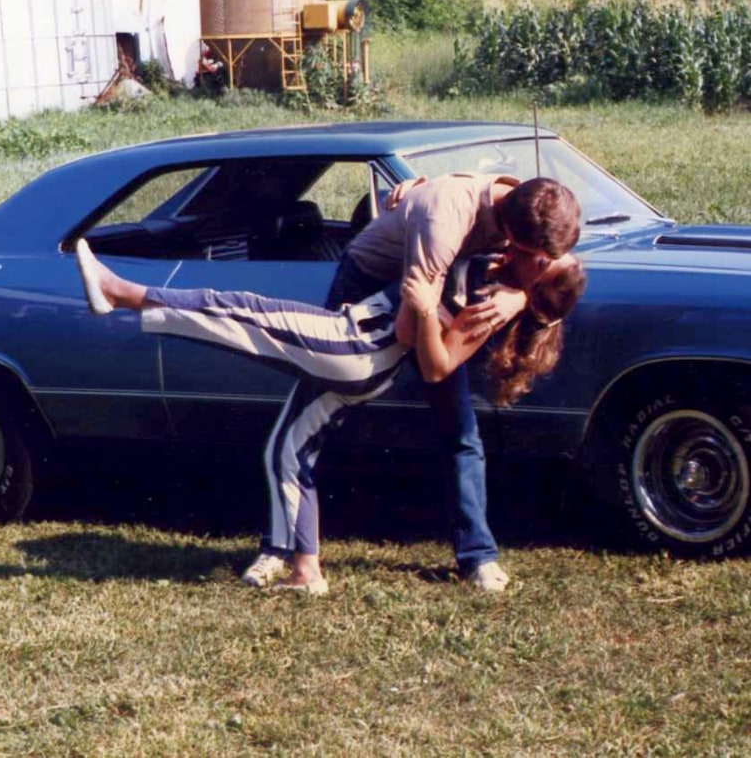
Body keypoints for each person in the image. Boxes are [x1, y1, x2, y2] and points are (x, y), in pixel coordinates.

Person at [76, 236, 585, 595]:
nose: (539, 249)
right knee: (288, 449)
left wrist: (428, 308)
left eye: (546, 259)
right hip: (361, 356)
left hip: (354, 346)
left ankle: (121, 292)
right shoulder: (503, 270)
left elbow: (436, 366)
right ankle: (303, 568)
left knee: (238, 310)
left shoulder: (489, 304)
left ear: (536, 279)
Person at [246, 172, 582, 594]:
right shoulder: (446, 220)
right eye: (525, 252)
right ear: (508, 230)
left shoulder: (533, 208)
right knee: (311, 422)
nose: (526, 261)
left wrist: (519, 295)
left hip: (435, 293)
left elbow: (561, 267)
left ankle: (478, 557)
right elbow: (409, 330)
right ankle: (278, 547)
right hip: (374, 286)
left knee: (459, 429)